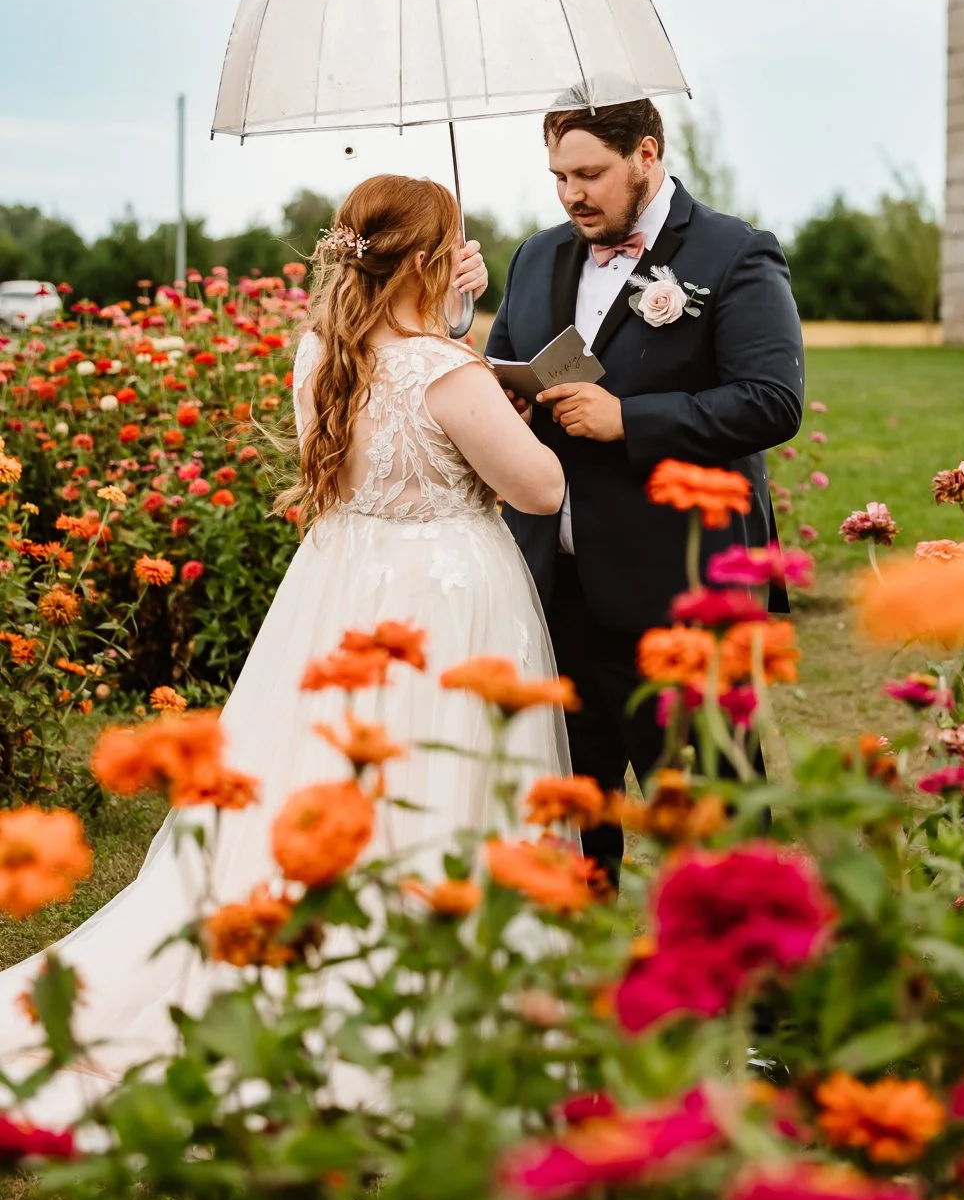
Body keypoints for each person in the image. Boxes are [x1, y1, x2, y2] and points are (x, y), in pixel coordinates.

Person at [0, 174, 569, 1105]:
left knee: (317, 783)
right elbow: (539, 489)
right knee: (436, 782)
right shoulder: (450, 374)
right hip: (444, 600)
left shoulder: (320, 352)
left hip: (340, 590)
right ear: (428, 260)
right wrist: (495, 387)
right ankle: (432, 1012)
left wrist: (450, 327)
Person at [486, 98, 805, 875]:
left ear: (647, 156)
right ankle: (582, 976)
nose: (571, 194)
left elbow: (773, 401)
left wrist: (631, 418)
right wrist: (509, 400)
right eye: (559, 176)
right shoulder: (534, 256)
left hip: (680, 588)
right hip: (553, 586)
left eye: (589, 174)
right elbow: (501, 370)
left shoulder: (734, 252)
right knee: (571, 816)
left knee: (714, 815)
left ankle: (746, 984)